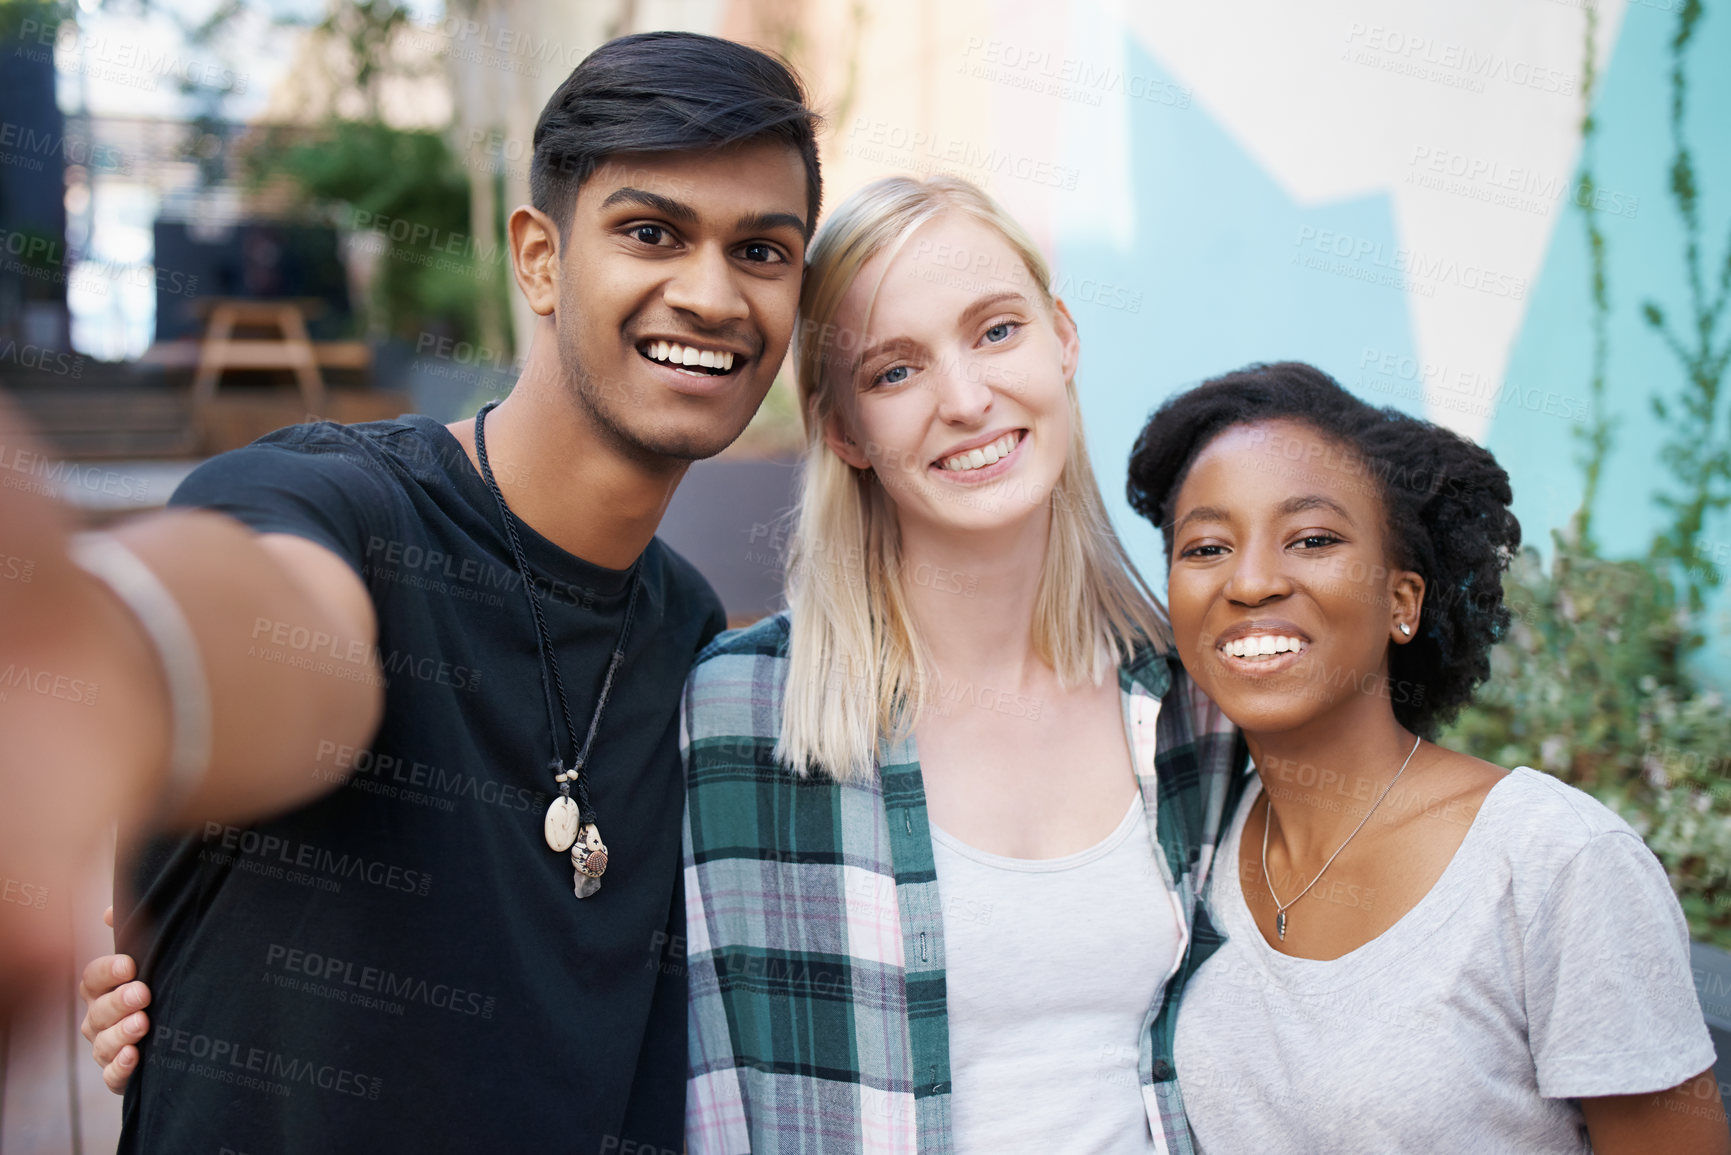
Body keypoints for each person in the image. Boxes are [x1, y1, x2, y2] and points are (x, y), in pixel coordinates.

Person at [58, 30, 820, 1153]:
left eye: (762, 251)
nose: (710, 293)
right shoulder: (325, 505)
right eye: (651, 233)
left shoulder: (688, 631)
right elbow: (284, 652)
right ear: (541, 259)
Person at [680, 175, 1248, 1153]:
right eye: (894, 371)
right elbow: (708, 1092)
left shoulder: (1195, 704)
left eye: (996, 332)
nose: (967, 398)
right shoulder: (738, 717)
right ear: (843, 431)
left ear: (1062, 338)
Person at [1127, 362, 1729, 1154]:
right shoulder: (1190, 847)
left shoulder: (1554, 862)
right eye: (1205, 546)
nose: (1250, 581)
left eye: (1311, 538)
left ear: (1400, 601)